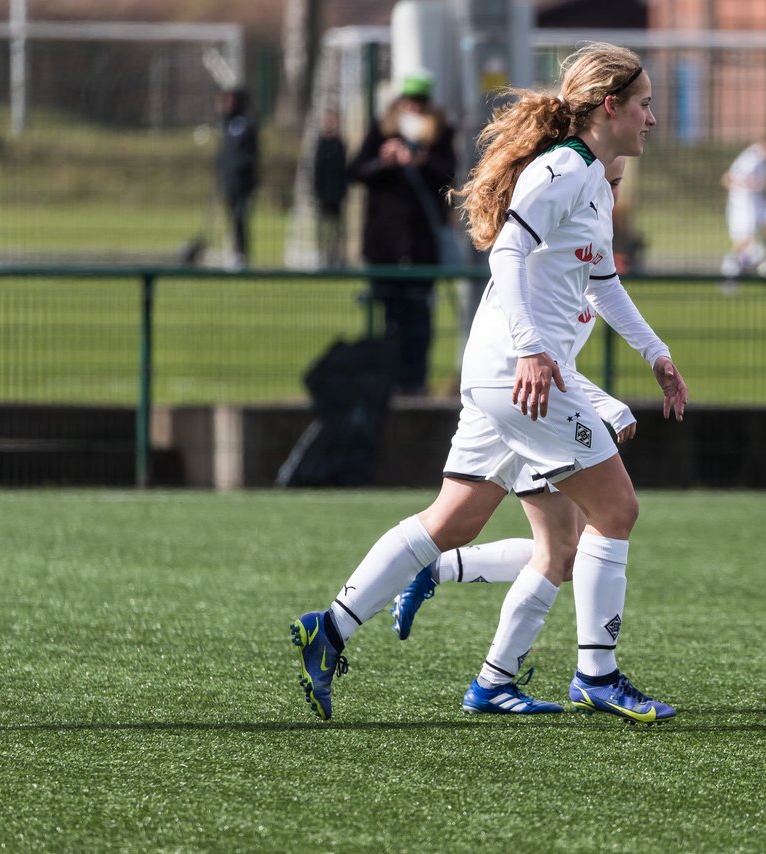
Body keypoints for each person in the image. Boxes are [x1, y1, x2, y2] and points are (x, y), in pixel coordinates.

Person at [291, 43, 688, 723]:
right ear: (612, 107)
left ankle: (327, 630)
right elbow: (506, 248)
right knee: (615, 512)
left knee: (454, 520)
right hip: (519, 374)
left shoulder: (591, 178)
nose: (653, 118)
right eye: (646, 104)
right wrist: (534, 351)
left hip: (500, 373)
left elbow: (603, 282)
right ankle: (597, 673)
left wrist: (656, 353)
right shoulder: (563, 171)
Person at [387, 158, 638, 635]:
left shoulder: (584, 258)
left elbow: (558, 360)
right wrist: (607, 405)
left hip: (538, 402)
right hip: (529, 407)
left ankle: (441, 583)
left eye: (619, 183)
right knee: (562, 551)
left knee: (566, 552)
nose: (612, 194)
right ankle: (499, 678)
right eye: (609, 181)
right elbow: (539, 357)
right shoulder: (554, 251)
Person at [348, 72, 457, 395]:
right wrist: (385, 162)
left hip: (421, 244)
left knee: (419, 318)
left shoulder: (439, 135)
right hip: (385, 244)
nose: (413, 107)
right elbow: (356, 171)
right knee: (390, 318)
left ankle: (416, 380)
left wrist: (422, 161)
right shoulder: (382, 131)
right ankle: (390, 380)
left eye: (419, 101)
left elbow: (448, 176)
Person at [719, 133, 766, 284]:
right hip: (743, 203)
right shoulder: (750, 159)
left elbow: (763, 186)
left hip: (759, 202)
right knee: (745, 240)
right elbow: (727, 179)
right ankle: (728, 273)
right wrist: (750, 183)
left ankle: (756, 256)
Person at [215, 88, 259, 269]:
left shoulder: (248, 123)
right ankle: (234, 251)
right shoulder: (226, 123)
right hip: (229, 180)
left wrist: (240, 167)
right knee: (231, 217)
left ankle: (242, 253)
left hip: (244, 180)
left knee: (241, 217)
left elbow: (253, 152)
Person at [312, 109, 348, 268]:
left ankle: (335, 256)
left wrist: (342, 189)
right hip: (323, 193)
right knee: (323, 227)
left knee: (337, 228)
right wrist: (317, 190)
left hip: (337, 193)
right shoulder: (320, 143)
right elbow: (317, 170)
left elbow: (344, 169)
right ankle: (323, 256)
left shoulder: (340, 144)